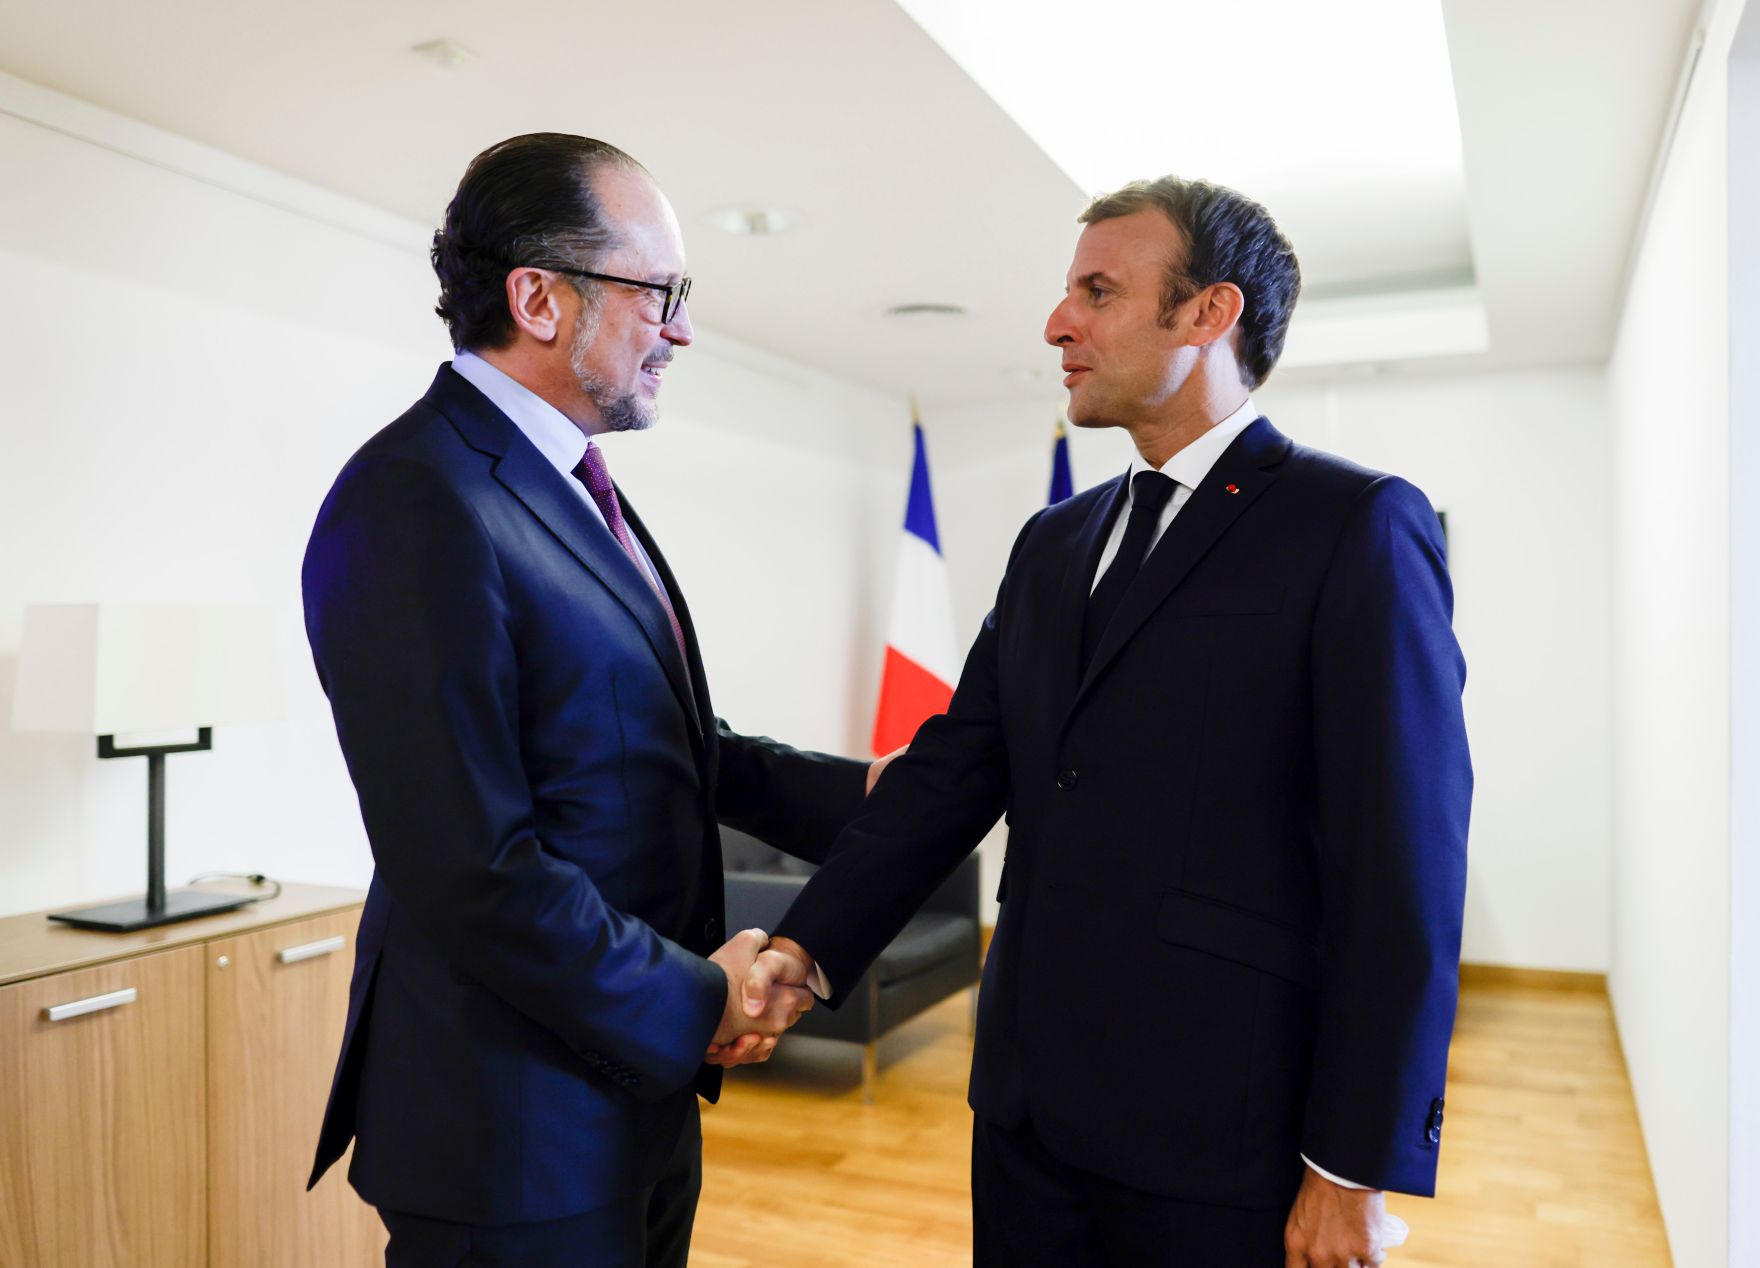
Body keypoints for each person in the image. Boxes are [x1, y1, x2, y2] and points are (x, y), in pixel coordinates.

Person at [750, 176, 1473, 1267]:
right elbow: (953, 773)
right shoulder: (1053, 542)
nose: (1056, 324)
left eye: (1097, 290)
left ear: (1207, 314)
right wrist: (807, 946)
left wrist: (1349, 1164)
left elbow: (1402, 868)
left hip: (1221, 1131)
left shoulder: (1353, 527)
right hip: (1026, 1110)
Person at [300, 132, 869, 1268]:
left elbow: (668, 743)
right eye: (659, 291)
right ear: (538, 298)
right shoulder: (415, 497)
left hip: (624, 1099)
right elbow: (471, 866)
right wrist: (697, 998)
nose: (683, 329)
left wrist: (889, 798)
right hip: (509, 1134)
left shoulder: (565, 488)